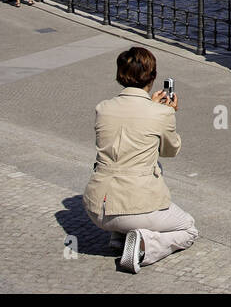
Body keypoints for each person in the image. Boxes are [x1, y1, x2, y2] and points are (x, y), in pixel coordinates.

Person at [82, 46, 198, 273]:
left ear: (120, 76)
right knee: (188, 229)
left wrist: (152, 109)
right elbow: (170, 150)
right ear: (152, 77)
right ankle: (144, 245)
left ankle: (119, 238)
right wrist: (168, 114)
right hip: (135, 209)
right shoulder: (161, 113)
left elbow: (130, 130)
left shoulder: (103, 108)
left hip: (97, 208)